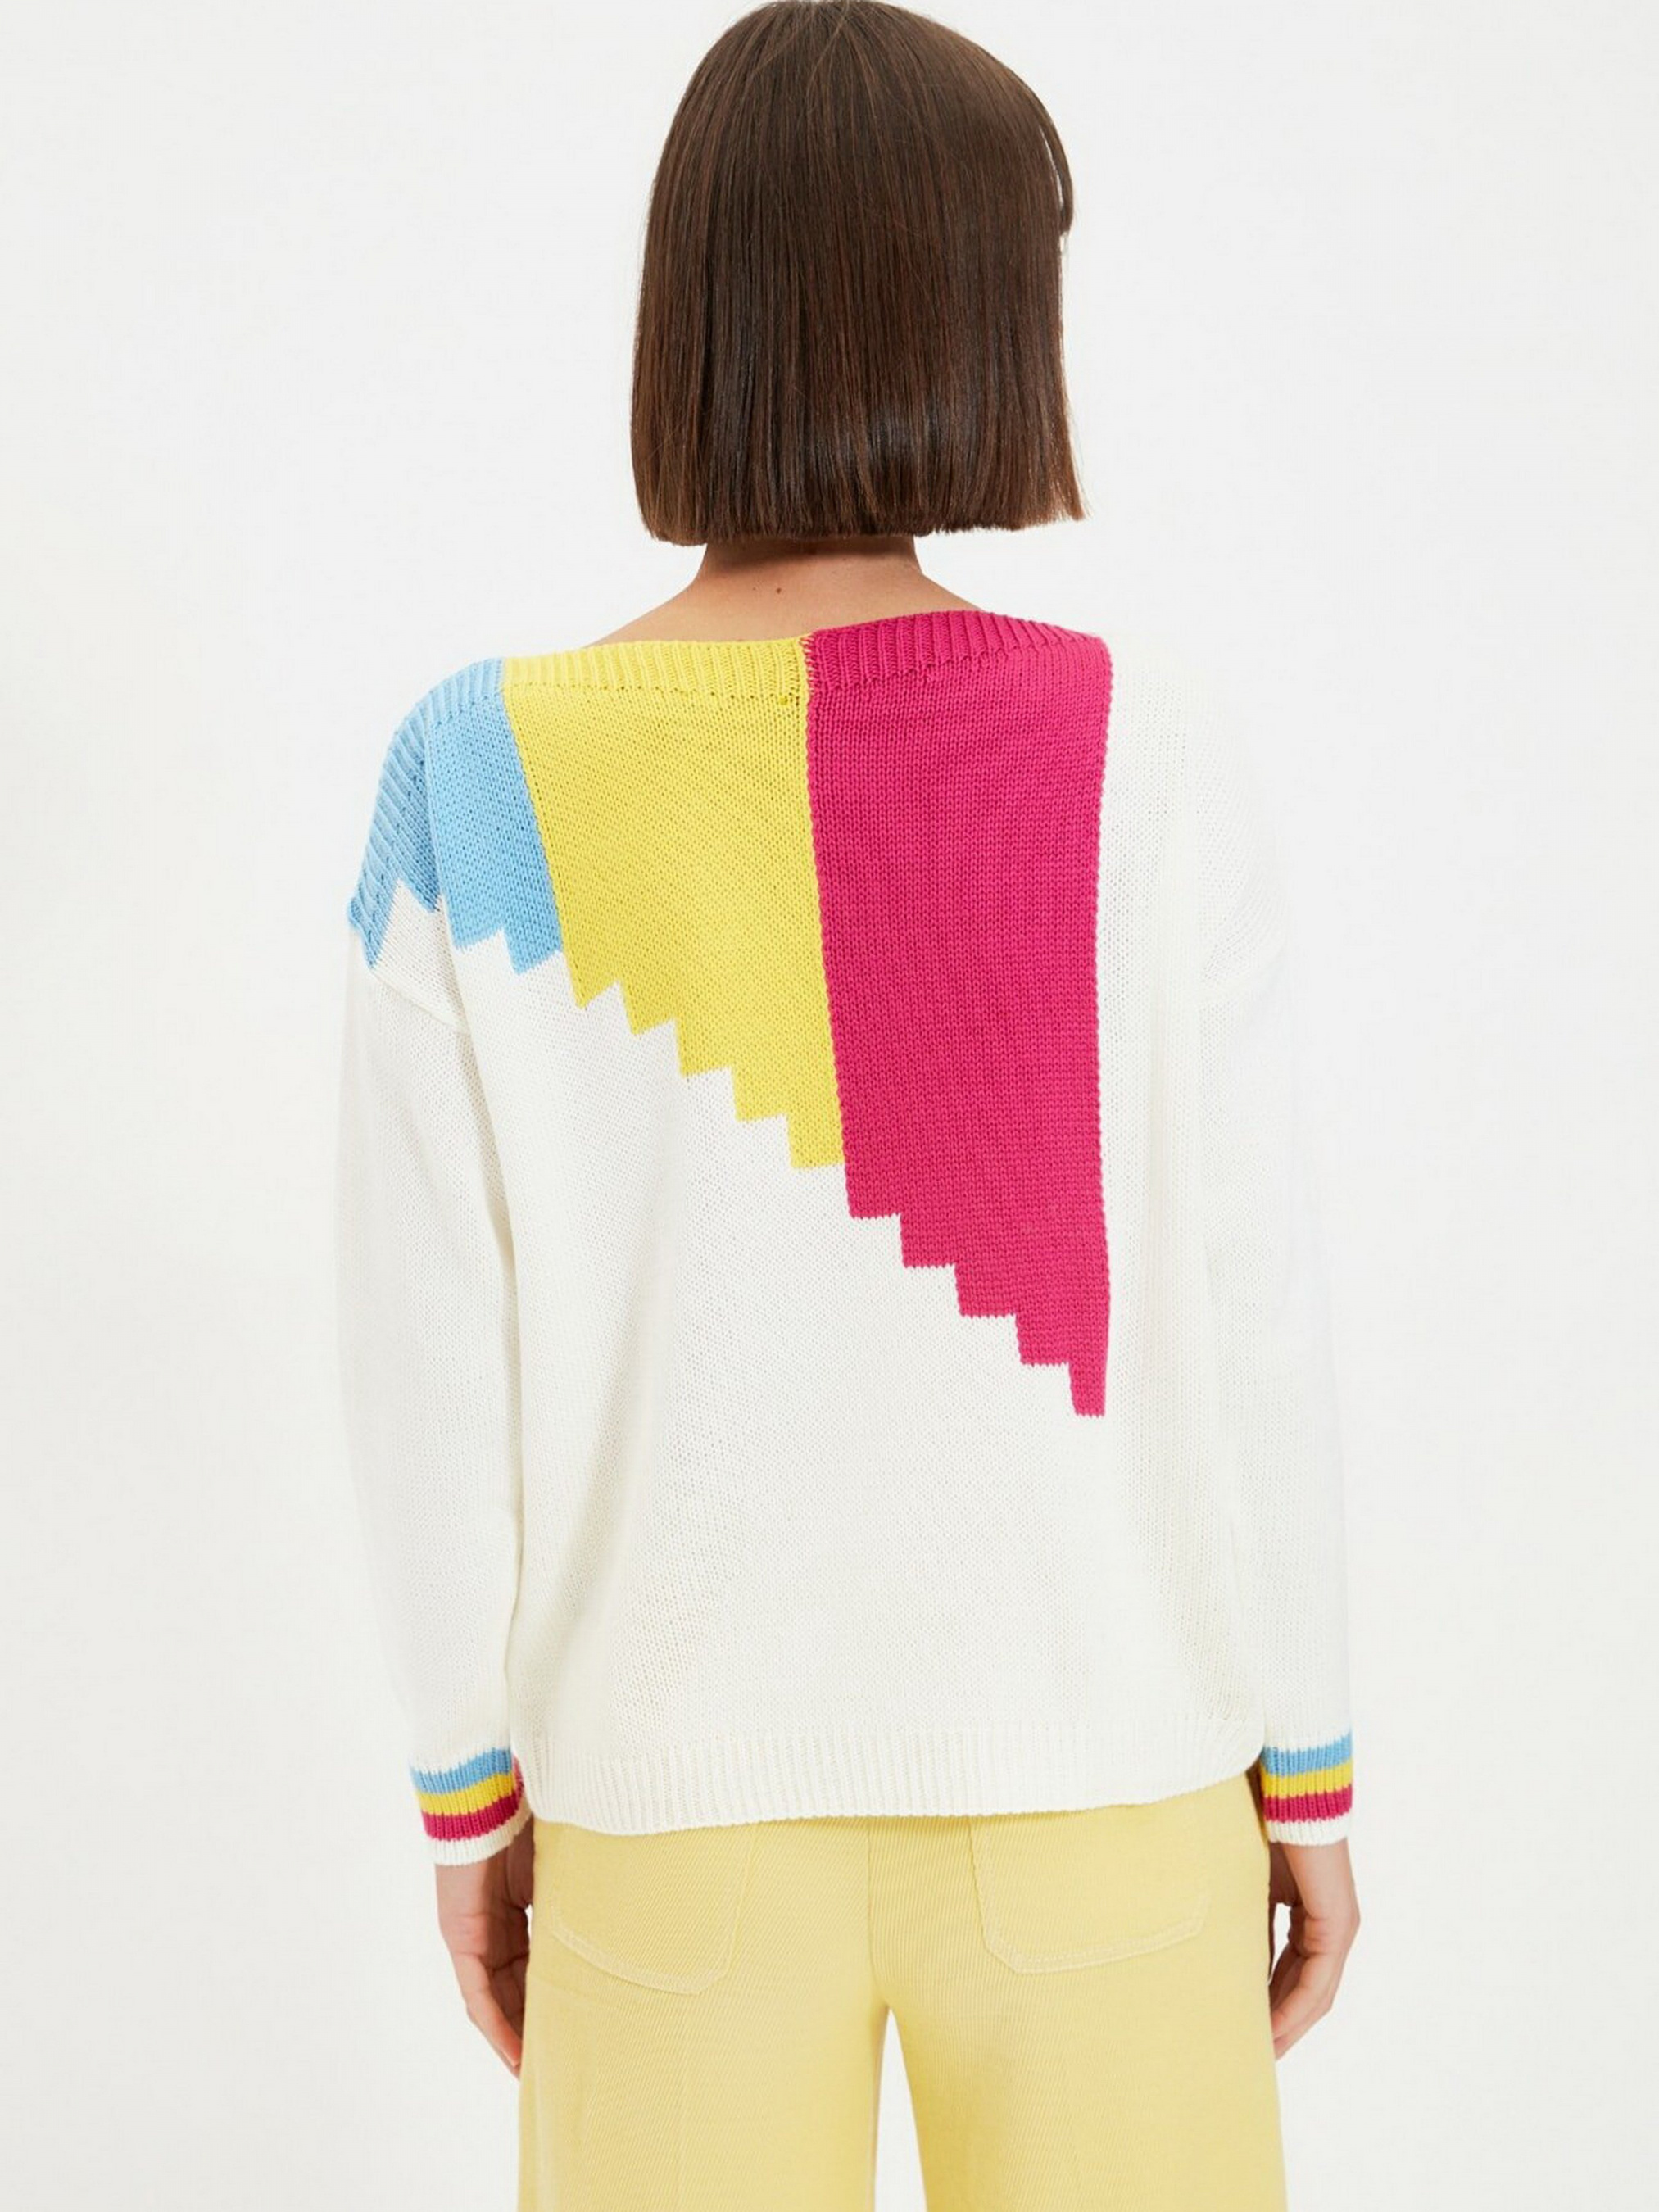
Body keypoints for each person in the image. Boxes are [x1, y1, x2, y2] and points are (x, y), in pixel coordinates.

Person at [334, 3, 1359, 2205]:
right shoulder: (1150, 749)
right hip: (1109, 1780)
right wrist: (1312, 1770)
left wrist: (466, 1794)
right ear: (986, 318)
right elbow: (1252, 1303)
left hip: (664, 1826)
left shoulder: (472, 771)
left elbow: (422, 1359)